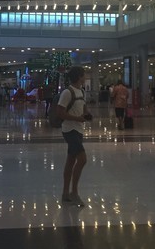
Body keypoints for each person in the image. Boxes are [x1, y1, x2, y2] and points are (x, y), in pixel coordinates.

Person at [57, 66, 93, 207]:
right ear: (79, 77)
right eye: (84, 75)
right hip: (69, 130)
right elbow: (60, 113)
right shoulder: (67, 92)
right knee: (82, 159)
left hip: (78, 130)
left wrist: (87, 114)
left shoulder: (82, 92)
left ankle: (65, 194)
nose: (85, 77)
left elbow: (83, 108)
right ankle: (74, 192)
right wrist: (77, 118)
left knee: (71, 161)